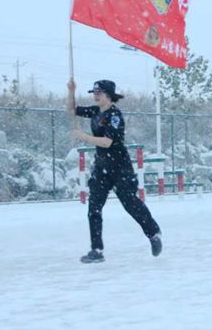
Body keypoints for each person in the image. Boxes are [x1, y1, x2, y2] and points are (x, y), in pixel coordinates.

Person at [68, 79, 162, 263]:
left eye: (98, 93)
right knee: (94, 208)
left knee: (130, 203)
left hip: (120, 167)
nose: (95, 95)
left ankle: (153, 233)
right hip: (102, 167)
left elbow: (107, 142)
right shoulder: (95, 111)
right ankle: (96, 250)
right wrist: (71, 91)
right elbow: (71, 110)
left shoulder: (115, 116)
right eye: (93, 92)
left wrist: (83, 137)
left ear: (108, 95)